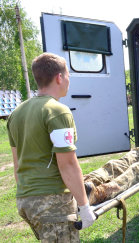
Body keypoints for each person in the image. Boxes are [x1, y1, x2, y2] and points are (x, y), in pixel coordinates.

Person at [7, 53, 96, 242]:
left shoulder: (16, 114)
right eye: (68, 76)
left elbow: (17, 165)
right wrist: (84, 206)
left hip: (26, 200)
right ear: (59, 77)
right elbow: (67, 165)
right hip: (52, 204)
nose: (69, 80)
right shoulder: (57, 111)